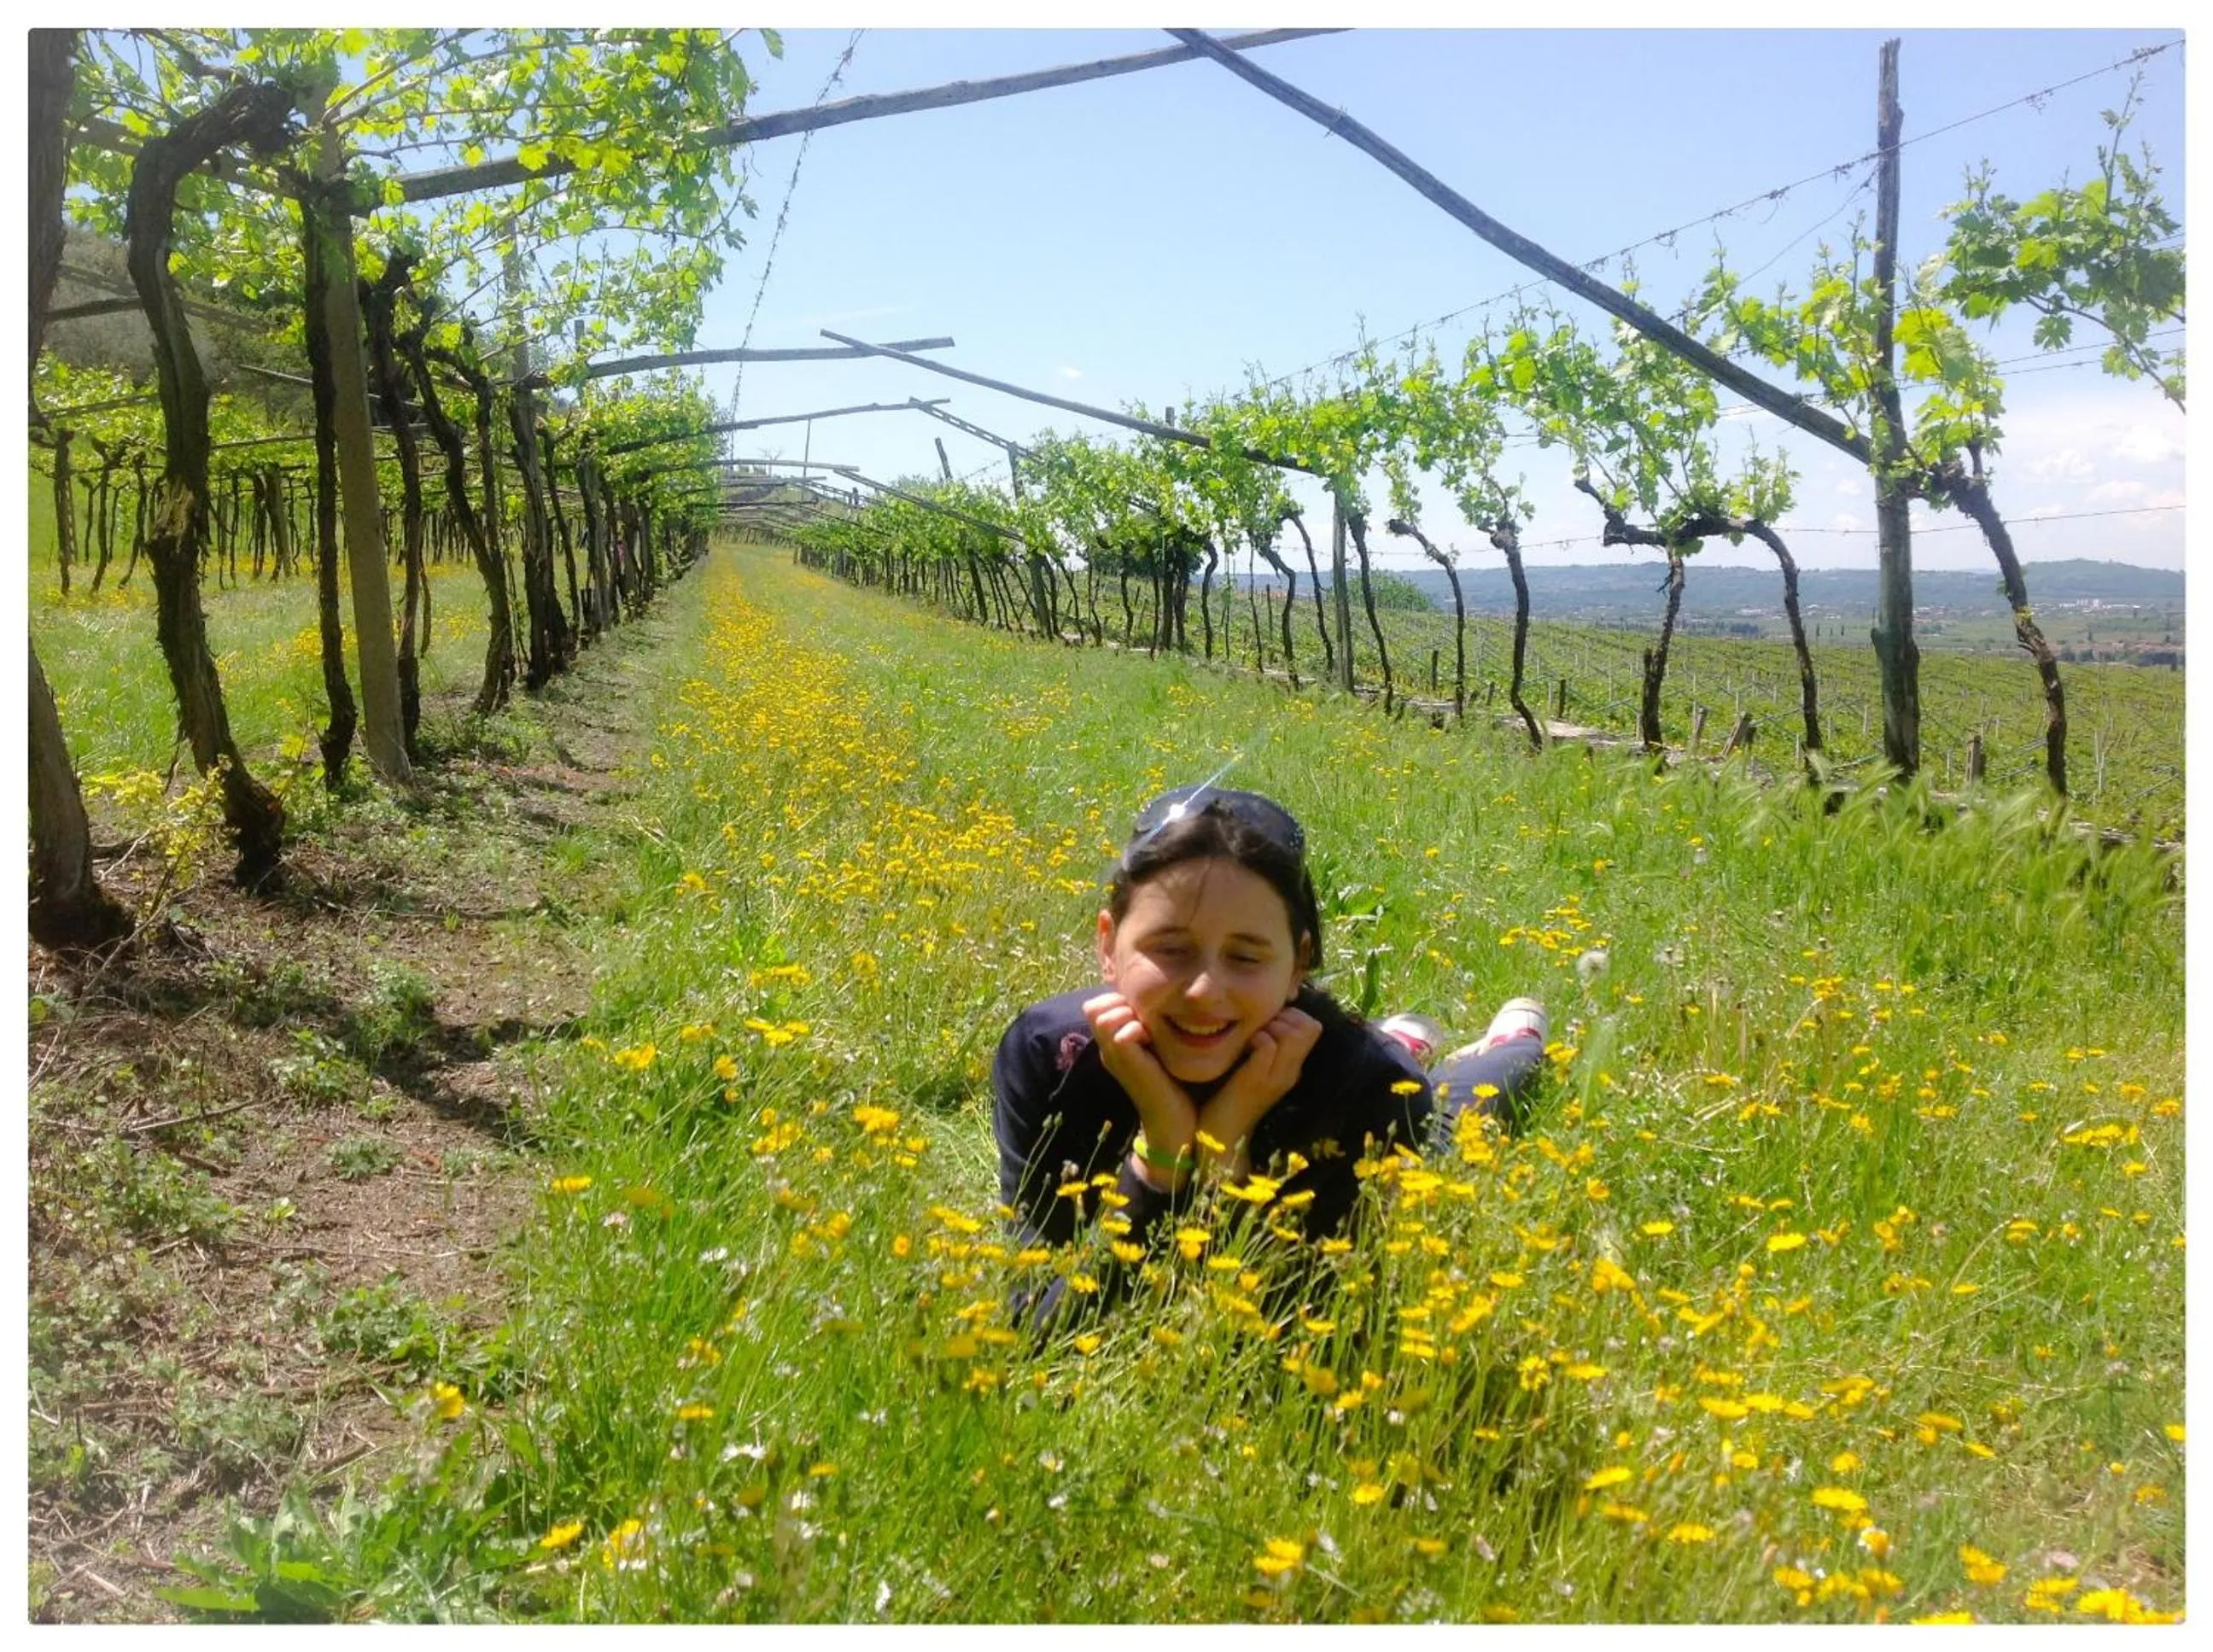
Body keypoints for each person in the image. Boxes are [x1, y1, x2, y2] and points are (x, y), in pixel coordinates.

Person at [990, 782, 1547, 1320]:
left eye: (1247, 957)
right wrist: (1160, 1155)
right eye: (1171, 949)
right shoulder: (1048, 1056)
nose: (1205, 991)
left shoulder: (1371, 1087)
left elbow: (1290, 1313)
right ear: (1108, 944)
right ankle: (1399, 1033)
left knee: (1453, 1119)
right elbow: (1033, 1322)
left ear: (1298, 965)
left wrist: (1225, 1148)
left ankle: (1509, 1044)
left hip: (1382, 1087)